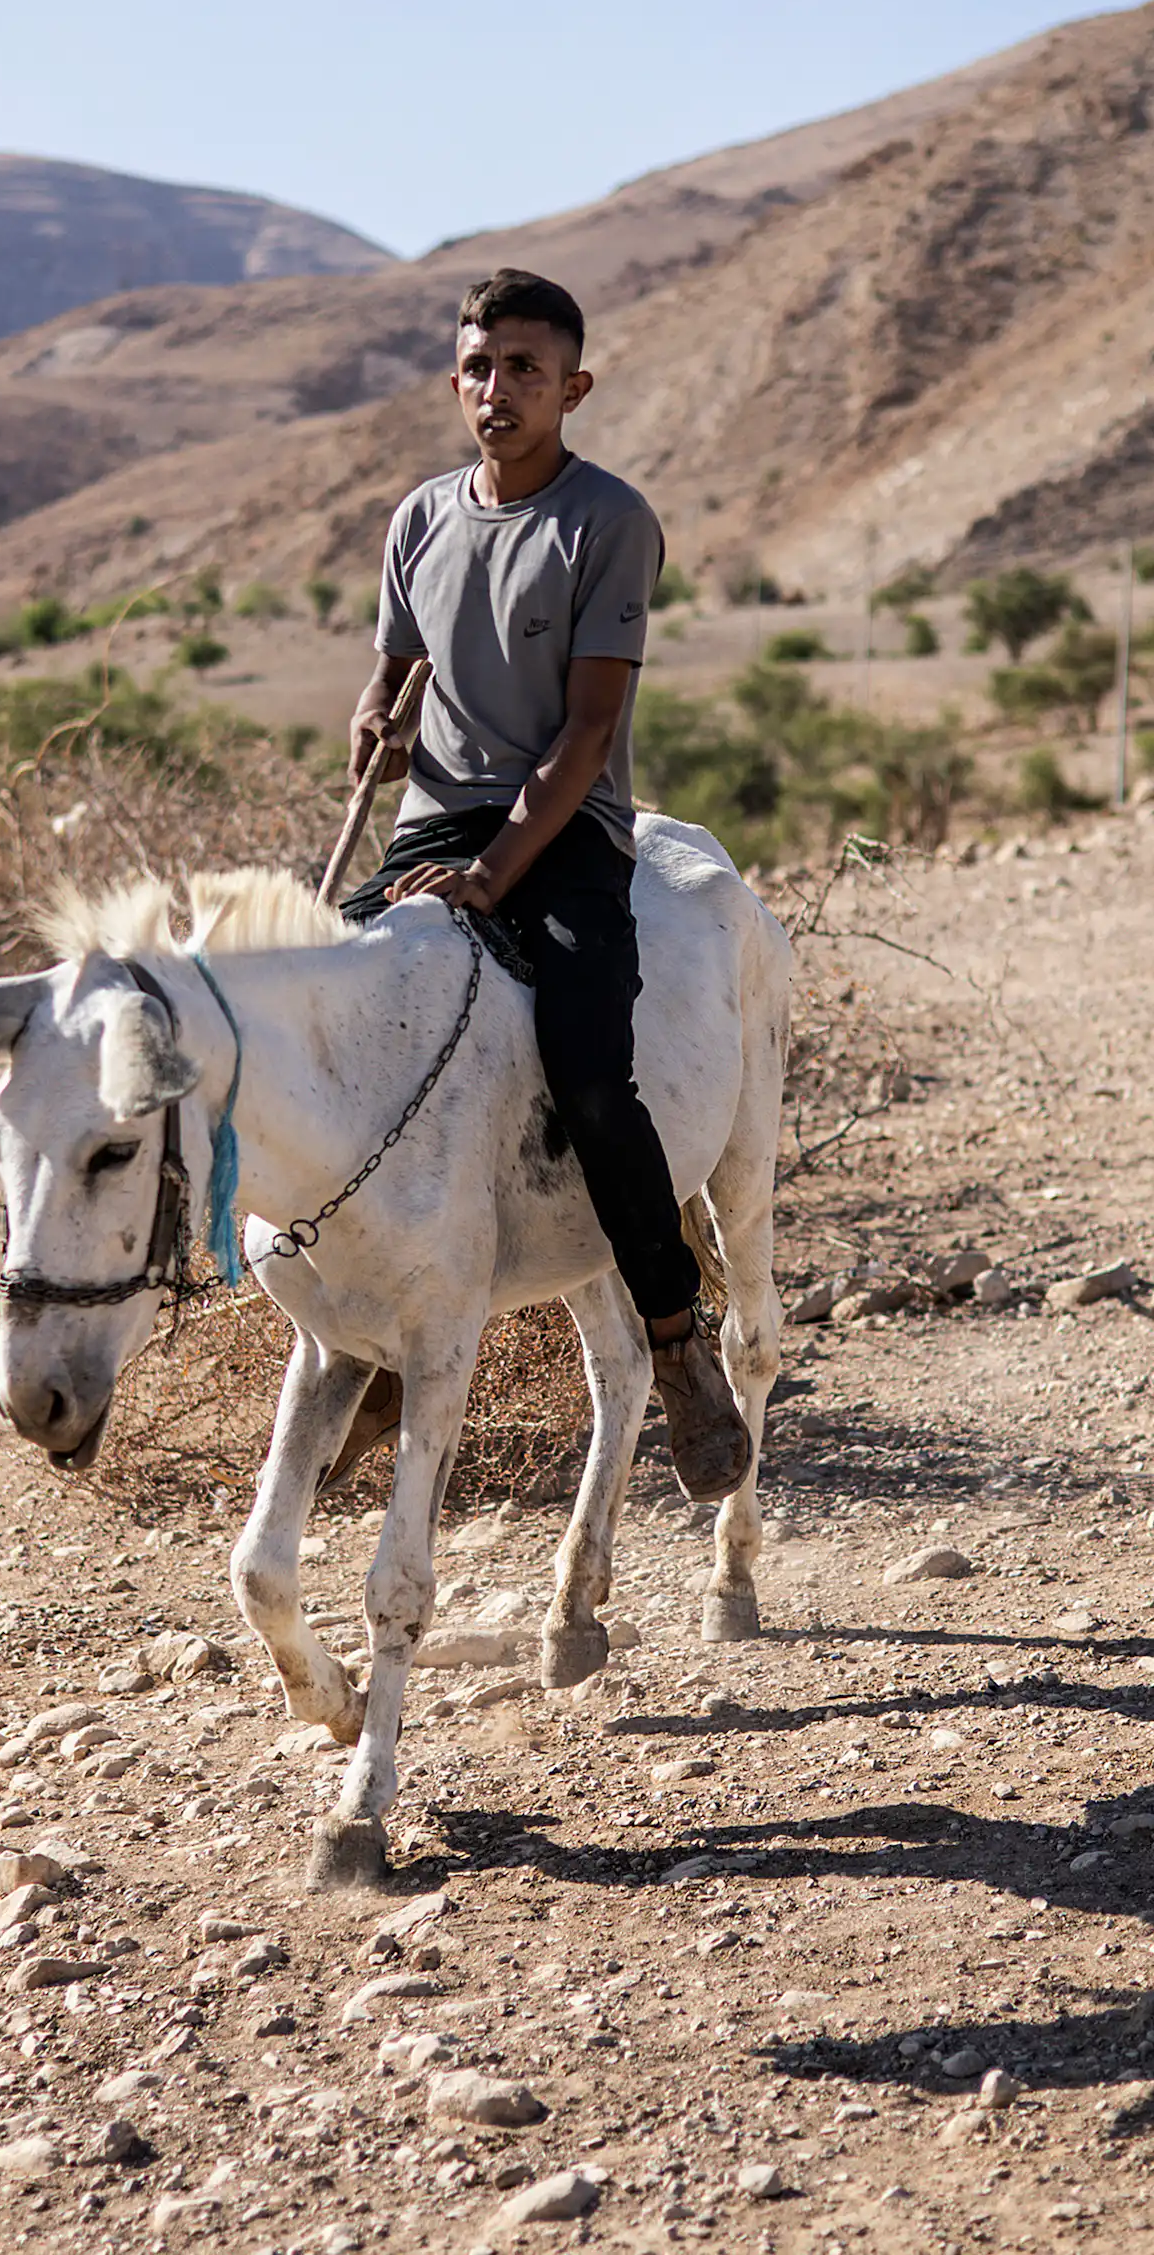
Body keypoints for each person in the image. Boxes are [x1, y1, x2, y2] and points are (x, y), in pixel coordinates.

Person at [337, 267, 753, 1503]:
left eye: (524, 369)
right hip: (430, 827)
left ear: (571, 387)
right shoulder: (418, 517)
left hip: (564, 833)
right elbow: (394, 668)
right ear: (454, 380)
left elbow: (584, 737)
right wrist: (375, 721)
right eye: (478, 366)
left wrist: (494, 873)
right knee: (329, 1037)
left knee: (586, 1070)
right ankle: (368, 1330)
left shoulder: (606, 521)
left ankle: (676, 1347)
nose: (497, 388)